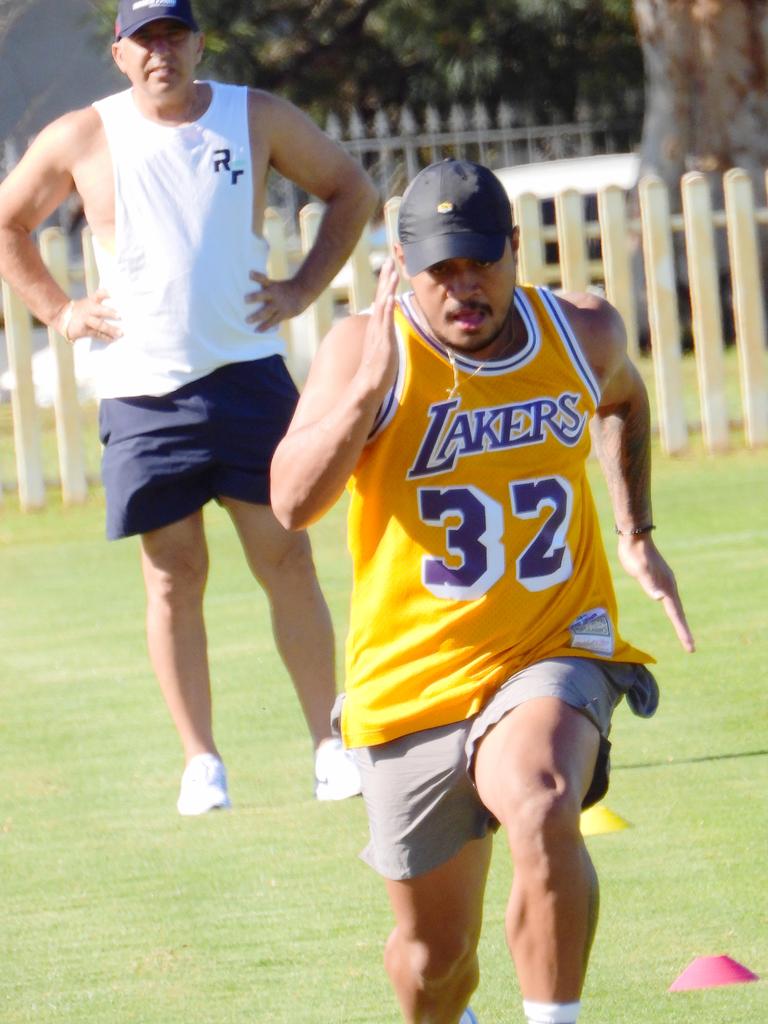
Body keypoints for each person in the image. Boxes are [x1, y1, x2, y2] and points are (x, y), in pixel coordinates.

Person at [270, 158, 695, 1024]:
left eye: (481, 263)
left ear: (513, 249)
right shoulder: (361, 348)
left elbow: (624, 402)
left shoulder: (581, 331)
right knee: (436, 961)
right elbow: (290, 503)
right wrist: (364, 393)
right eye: (440, 270)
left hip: (551, 645)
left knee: (541, 800)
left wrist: (636, 533)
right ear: (400, 264)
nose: (465, 288)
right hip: (412, 677)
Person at [0, 0, 378, 814]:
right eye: (144, 40)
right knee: (173, 575)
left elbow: (350, 188)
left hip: (247, 375)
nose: (160, 52)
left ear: (199, 42)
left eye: (174, 35)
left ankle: (330, 746)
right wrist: (63, 312)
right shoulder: (82, 134)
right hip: (142, 393)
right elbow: (8, 223)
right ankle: (201, 762)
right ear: (120, 54)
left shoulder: (257, 116)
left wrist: (303, 286)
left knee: (287, 559)